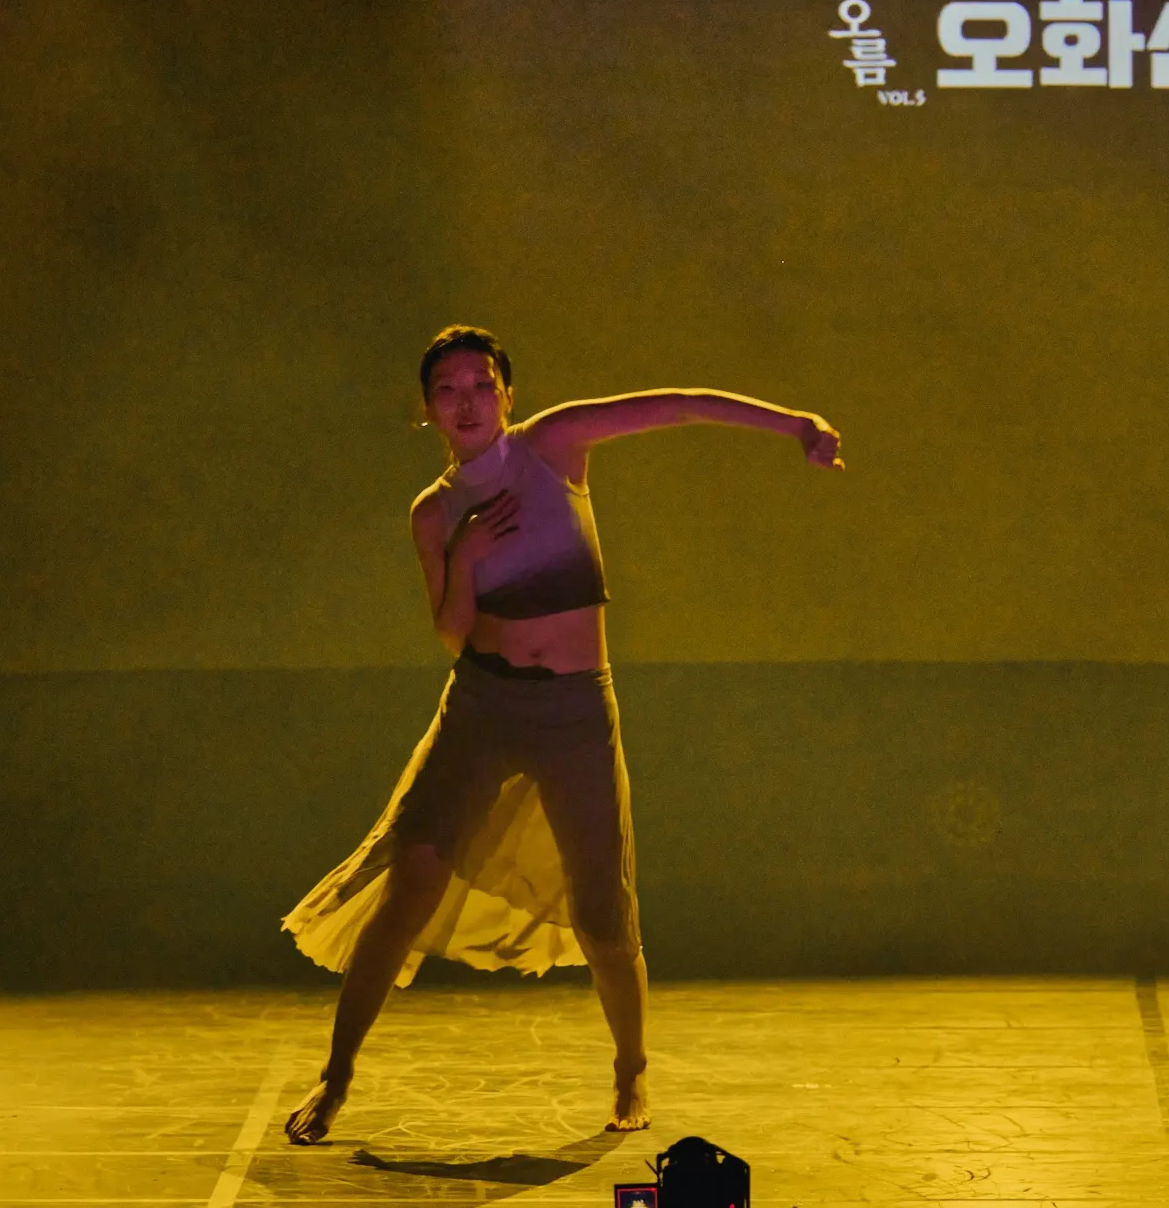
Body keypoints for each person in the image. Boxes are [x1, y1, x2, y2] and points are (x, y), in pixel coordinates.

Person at [282, 325, 843, 1144]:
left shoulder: (553, 445)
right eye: (448, 389)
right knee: (411, 886)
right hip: (483, 707)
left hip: (575, 711)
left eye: (482, 384)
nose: (467, 401)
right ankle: (335, 1077)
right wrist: (466, 554)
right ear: (427, 408)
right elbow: (451, 632)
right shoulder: (433, 512)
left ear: (508, 394)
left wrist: (795, 423)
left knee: (602, 912)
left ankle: (631, 1068)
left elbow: (680, 405)